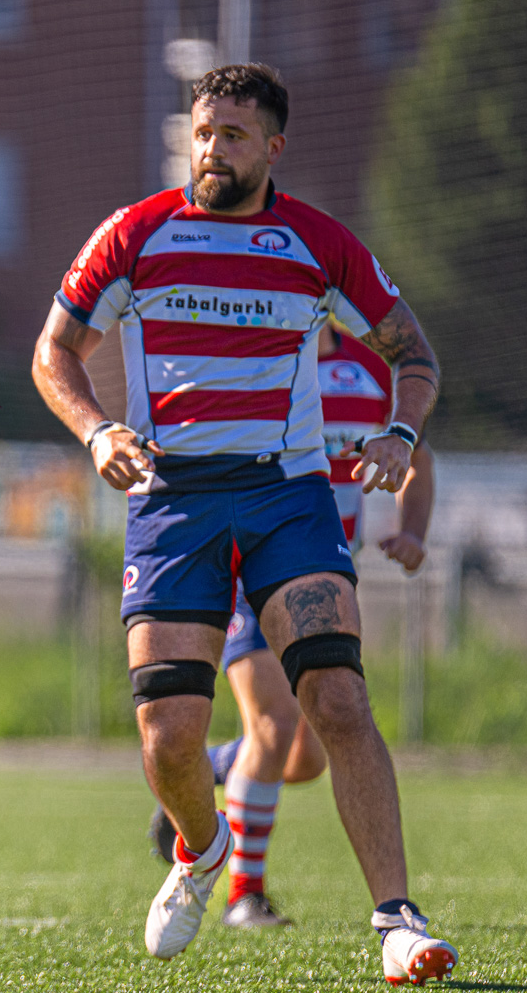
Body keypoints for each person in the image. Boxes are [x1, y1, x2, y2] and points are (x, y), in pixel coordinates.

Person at [32, 63, 456, 984]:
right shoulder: (135, 235)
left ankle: (396, 920)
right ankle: (201, 849)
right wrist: (97, 428)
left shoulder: (316, 242)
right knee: (169, 738)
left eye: (232, 134)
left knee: (337, 702)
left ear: (273, 146)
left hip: (285, 496)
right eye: (202, 131)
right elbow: (53, 352)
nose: (212, 148)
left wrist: (397, 431)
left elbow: (412, 352)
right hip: (172, 499)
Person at [148, 326, 436, 932]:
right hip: (246, 570)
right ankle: (242, 896)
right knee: (274, 726)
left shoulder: (368, 371)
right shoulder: (259, 362)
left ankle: (195, 770)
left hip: (321, 576)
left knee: (304, 757)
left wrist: (412, 531)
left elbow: (418, 458)